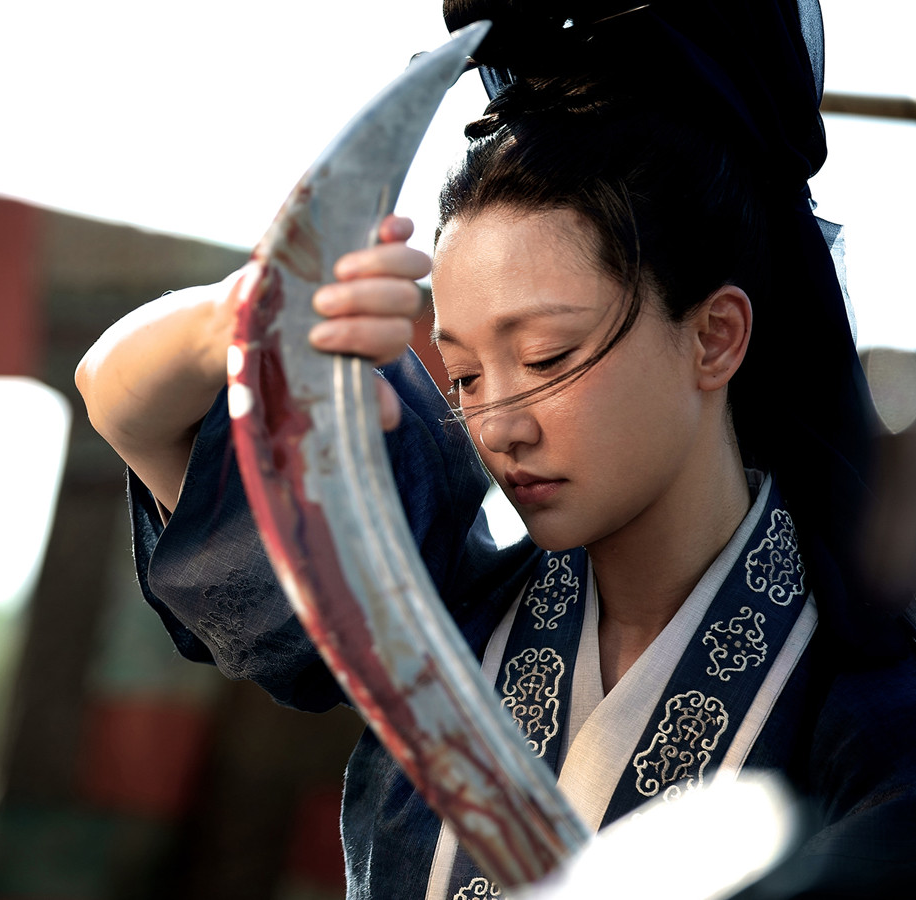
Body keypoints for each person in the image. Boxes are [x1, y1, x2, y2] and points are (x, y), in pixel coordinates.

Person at [75, 1, 916, 898]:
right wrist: (237, 320)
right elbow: (122, 403)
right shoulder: (435, 608)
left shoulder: (872, 708)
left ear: (713, 337)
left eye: (546, 357)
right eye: (465, 377)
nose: (497, 424)